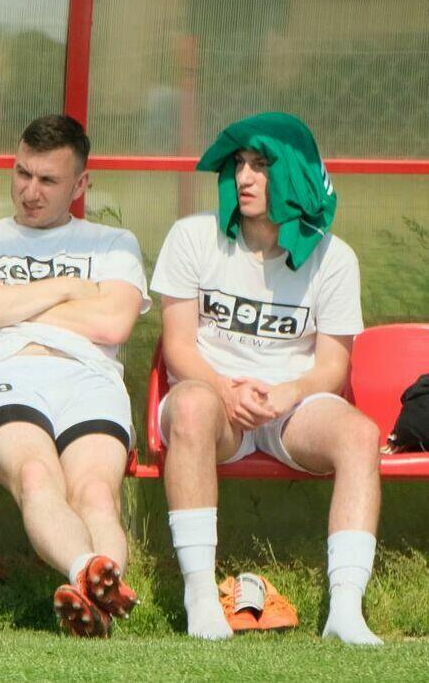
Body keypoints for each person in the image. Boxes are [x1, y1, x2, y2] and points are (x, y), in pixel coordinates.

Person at [151, 112, 382, 645]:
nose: (244, 177)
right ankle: (200, 598)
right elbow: (178, 347)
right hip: (212, 398)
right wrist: (224, 389)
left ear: (294, 174)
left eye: (260, 166)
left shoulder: (334, 258)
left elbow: (333, 367)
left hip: (293, 406)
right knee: (190, 407)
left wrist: (287, 393)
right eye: (239, 164)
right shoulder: (193, 237)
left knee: (361, 434)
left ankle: (346, 611)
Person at [0, 114, 148, 637]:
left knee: (96, 492)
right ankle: (89, 574)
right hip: (6, 375)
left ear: (80, 185)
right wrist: (67, 288)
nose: (30, 192)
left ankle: (94, 597)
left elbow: (112, 322)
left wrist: (3, 302)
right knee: (36, 475)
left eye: (48, 180)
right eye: (22, 173)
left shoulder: (113, 242)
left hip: (89, 378)